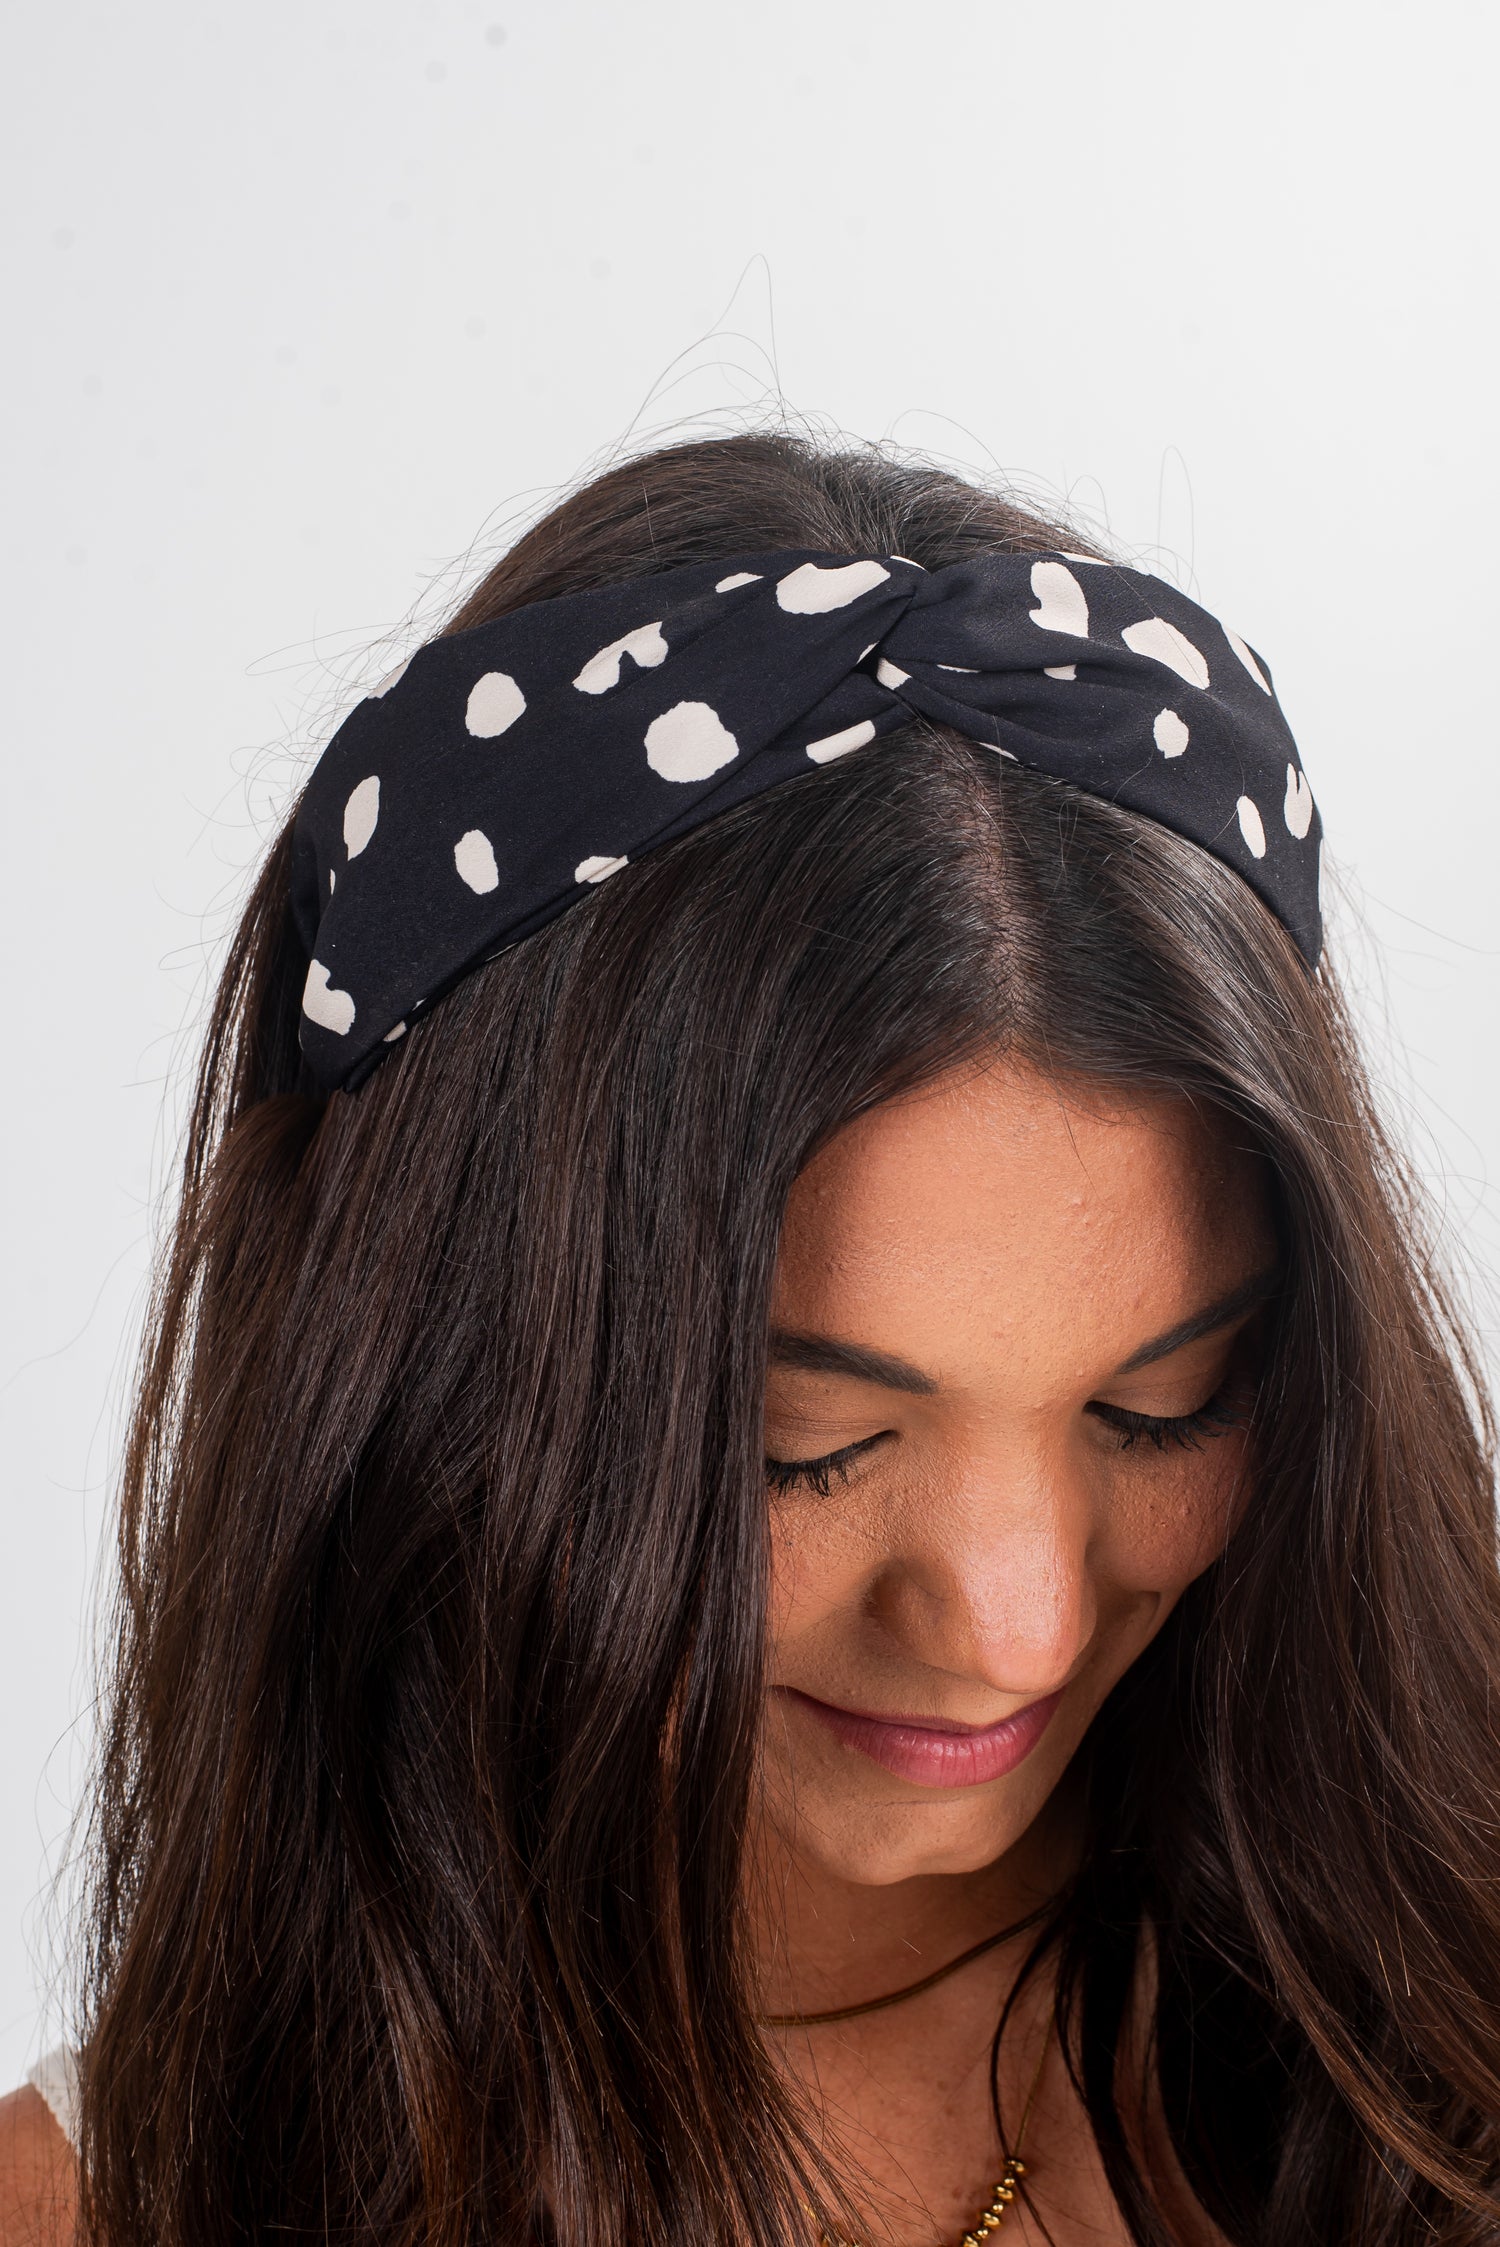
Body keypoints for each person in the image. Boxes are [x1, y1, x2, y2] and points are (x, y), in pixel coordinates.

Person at [3, 431, 1498, 2247]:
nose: (1012, 1620)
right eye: (807, 1444)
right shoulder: (117, 2202)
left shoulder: (1435, 2044)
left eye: (1161, 1409)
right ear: (435, 1377)